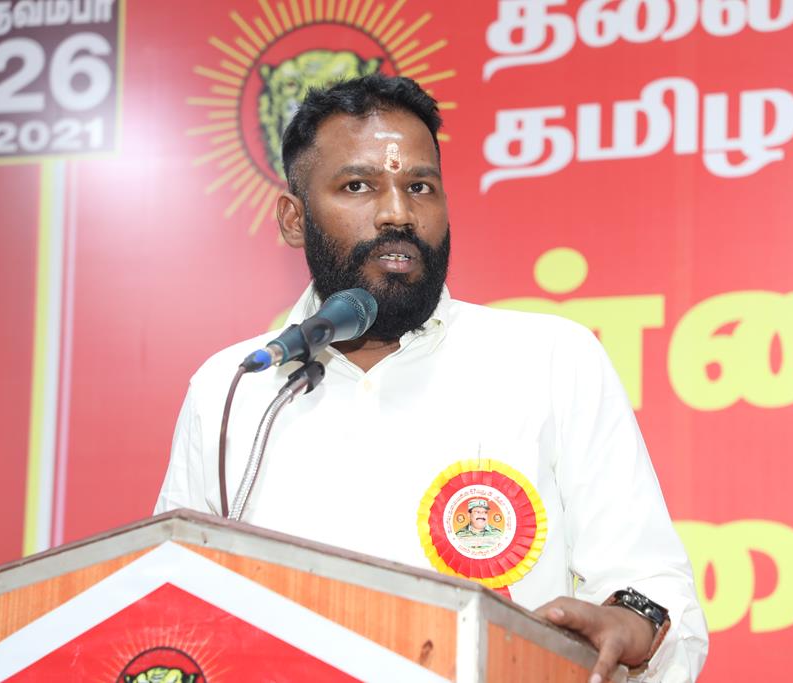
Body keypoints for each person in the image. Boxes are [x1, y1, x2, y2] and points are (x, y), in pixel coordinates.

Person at [155, 74, 707, 683]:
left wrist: (632, 626)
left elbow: (654, 590)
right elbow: (168, 616)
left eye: (419, 186)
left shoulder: (550, 360)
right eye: (358, 186)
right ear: (293, 219)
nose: (398, 213)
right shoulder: (234, 389)